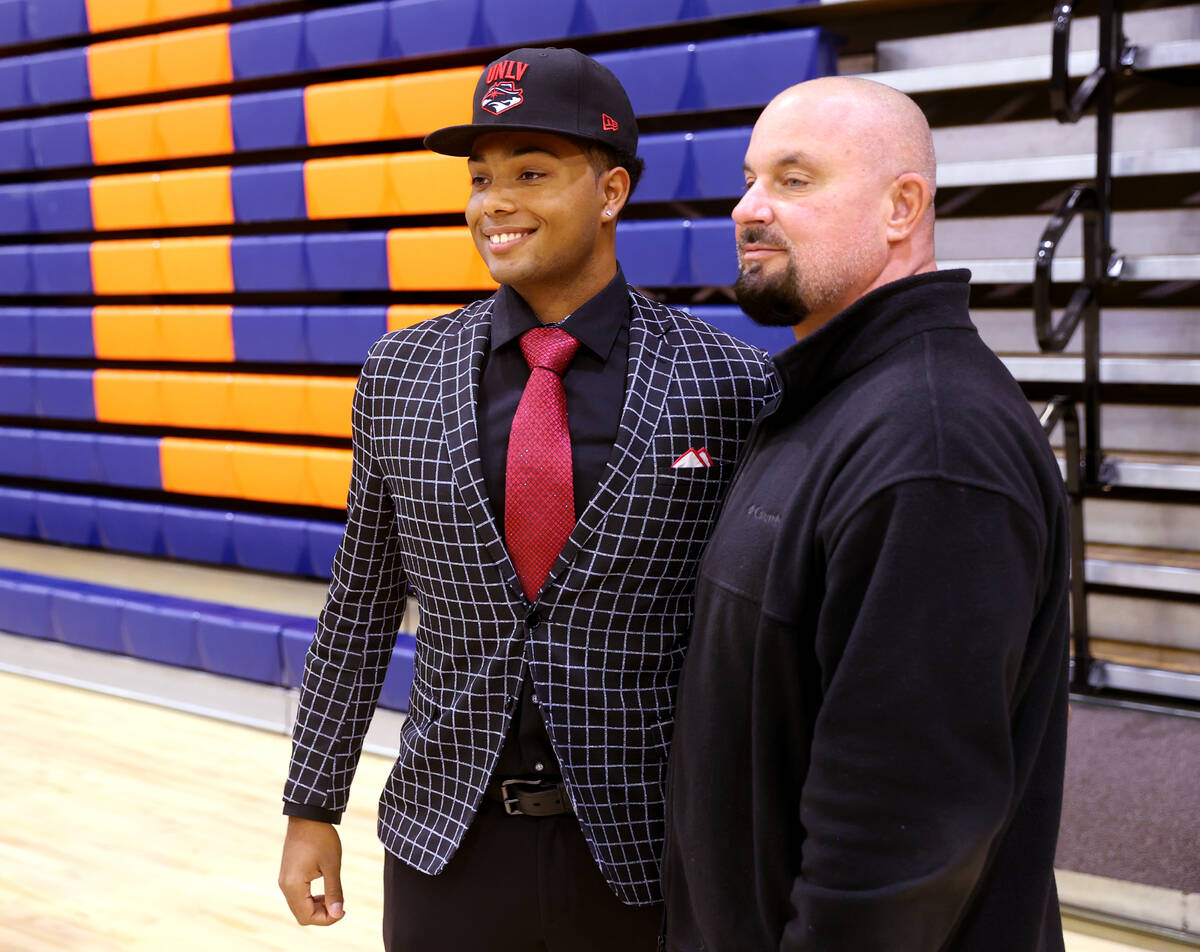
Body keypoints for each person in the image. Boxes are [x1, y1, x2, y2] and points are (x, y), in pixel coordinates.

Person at [277, 47, 778, 951]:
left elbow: (754, 635)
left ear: (612, 192)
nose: (492, 203)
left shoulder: (729, 381)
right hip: (445, 842)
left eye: (532, 173)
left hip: (648, 847)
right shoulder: (401, 372)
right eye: (479, 179)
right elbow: (359, 604)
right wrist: (313, 804)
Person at [662, 76, 1071, 952]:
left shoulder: (932, 448)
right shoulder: (826, 402)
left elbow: (899, 841)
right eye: (749, 177)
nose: (748, 207)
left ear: (902, 206)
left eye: (794, 179)